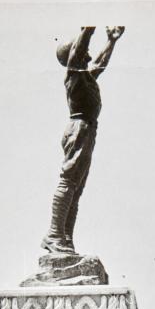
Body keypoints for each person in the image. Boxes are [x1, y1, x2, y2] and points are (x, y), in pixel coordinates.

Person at [41, 25, 125, 255]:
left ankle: (64, 238)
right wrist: (88, 28)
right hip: (78, 128)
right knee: (69, 181)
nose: (87, 53)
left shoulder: (85, 76)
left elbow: (99, 63)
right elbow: (79, 51)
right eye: (82, 50)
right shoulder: (73, 73)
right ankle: (54, 234)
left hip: (87, 130)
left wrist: (112, 41)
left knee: (77, 187)